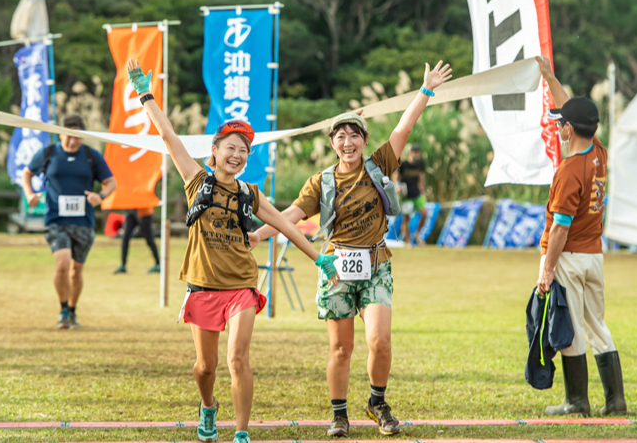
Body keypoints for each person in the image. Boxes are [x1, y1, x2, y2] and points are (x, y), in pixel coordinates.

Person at [127, 58, 338, 443]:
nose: (237, 154)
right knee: (205, 367)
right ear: (215, 150)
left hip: (241, 284)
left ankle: (241, 432)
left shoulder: (249, 193)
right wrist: (145, 94)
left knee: (237, 358)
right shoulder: (196, 181)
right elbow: (169, 136)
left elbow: (285, 225)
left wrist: (318, 258)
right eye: (231, 147)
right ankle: (208, 406)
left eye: (244, 149)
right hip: (203, 286)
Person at [252, 61, 453, 438]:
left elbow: (403, 128)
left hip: (376, 265)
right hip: (336, 269)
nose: (348, 142)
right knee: (341, 348)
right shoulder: (321, 182)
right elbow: (290, 215)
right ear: (332, 143)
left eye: (354, 135)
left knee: (380, 340)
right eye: (341, 136)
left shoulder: (379, 165)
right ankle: (339, 414)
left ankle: (377, 402)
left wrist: (425, 90)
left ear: (364, 139)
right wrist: (256, 236)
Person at [535, 55, 627, 417]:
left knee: (571, 328)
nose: (558, 127)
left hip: (569, 258)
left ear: (569, 130)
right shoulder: (598, 152)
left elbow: (560, 227)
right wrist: (549, 77)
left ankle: (576, 401)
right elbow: (571, 109)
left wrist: (547, 270)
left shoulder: (569, 170)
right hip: (594, 257)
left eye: (562, 124)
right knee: (597, 325)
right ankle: (615, 401)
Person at [22, 115, 117, 330]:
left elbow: (111, 182)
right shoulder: (48, 153)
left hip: (84, 222)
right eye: (68, 136)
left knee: (76, 270)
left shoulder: (91, 156)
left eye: (77, 137)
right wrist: (29, 194)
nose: (72, 141)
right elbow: (27, 174)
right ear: (60, 134)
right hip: (56, 220)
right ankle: (63, 310)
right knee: (63, 264)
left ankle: (72, 311)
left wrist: (100, 196)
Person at [396, 143, 427, 246]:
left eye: (418, 153)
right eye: (415, 153)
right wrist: (397, 186)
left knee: (424, 214)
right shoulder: (403, 164)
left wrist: (423, 191)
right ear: (410, 153)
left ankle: (417, 234)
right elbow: (396, 177)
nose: (416, 155)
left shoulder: (420, 164)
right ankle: (408, 241)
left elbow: (421, 178)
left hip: (416, 193)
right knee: (406, 218)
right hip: (406, 195)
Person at [114, 208, 160, 274]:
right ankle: (123, 265)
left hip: (144, 212)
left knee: (149, 239)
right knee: (125, 238)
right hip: (130, 211)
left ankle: (158, 265)